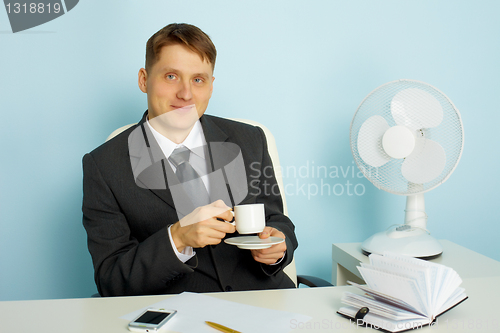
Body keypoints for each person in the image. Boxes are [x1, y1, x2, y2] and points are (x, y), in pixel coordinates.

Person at [82, 23, 298, 297]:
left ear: (210, 87)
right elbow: (111, 281)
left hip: (265, 303)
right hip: (176, 315)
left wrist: (278, 246)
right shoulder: (103, 166)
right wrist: (178, 238)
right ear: (143, 80)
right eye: (171, 76)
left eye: (198, 80)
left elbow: (277, 219)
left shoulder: (250, 139)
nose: (186, 94)